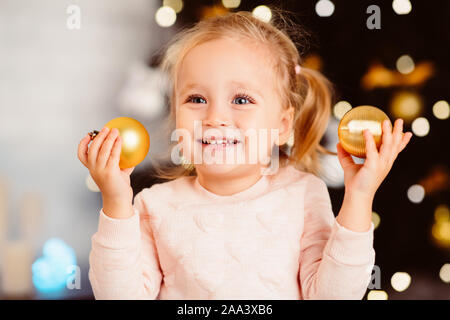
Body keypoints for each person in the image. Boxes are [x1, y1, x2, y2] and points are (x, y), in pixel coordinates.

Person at [77, 10, 412, 299]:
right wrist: (116, 203)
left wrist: (360, 195)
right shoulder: (154, 205)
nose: (215, 118)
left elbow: (333, 295)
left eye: (240, 100)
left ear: (282, 124)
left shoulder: (304, 195)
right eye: (196, 99)